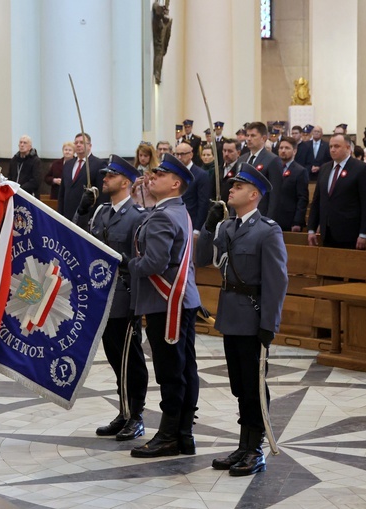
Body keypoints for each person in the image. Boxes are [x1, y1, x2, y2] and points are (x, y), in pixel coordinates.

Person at [195, 164, 287, 476]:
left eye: (238, 186)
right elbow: (200, 260)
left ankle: (255, 448)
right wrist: (208, 227)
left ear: (254, 194)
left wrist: (269, 325)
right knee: (238, 385)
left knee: (253, 386)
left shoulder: (268, 230)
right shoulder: (227, 228)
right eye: (232, 185)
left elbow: (277, 281)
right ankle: (243, 444)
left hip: (253, 317)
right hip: (231, 317)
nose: (231, 189)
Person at [128, 153, 201, 459]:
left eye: (159, 175)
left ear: (175, 183)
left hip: (166, 302)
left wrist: (130, 265)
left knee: (170, 370)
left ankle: (170, 435)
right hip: (181, 299)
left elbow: (155, 262)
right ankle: (183, 433)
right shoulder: (176, 210)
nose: (151, 177)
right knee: (184, 367)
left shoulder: (162, 215)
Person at [75, 155, 149, 442]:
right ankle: (124, 411)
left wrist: (136, 305)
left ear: (126, 182)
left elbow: (138, 263)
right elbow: (80, 238)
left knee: (131, 360)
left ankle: (137, 415)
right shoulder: (101, 213)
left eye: (111, 176)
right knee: (116, 358)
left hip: (125, 297)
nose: (104, 179)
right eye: (105, 175)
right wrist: (82, 211)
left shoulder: (137, 216)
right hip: (102, 297)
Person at [307, 133, 366, 249]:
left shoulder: (361, 169)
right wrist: (311, 229)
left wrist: (364, 233)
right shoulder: (324, 168)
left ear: (348, 148)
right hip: (327, 231)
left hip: (350, 232)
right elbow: (317, 200)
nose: (332, 150)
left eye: (337, 146)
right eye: (330, 146)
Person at [57, 132, 107, 221]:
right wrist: (60, 215)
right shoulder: (68, 164)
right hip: (67, 216)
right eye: (76, 143)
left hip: (87, 216)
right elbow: (62, 192)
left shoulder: (99, 164)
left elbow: (102, 194)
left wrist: (96, 217)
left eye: (82, 142)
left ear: (90, 146)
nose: (78, 145)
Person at [236, 122, 282, 217]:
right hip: (241, 212)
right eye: (247, 135)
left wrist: (269, 219)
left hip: (260, 213)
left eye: (253, 135)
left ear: (264, 138)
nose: (248, 139)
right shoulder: (242, 159)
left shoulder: (272, 160)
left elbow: (275, 195)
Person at [270, 137, 309, 232]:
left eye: (287, 148)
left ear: (294, 151)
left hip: (289, 220)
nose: (283, 151)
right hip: (272, 219)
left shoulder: (300, 171)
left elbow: (302, 199)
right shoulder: (272, 168)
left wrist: (297, 221)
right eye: (281, 148)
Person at [174, 142, 210, 233]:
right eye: (177, 154)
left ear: (191, 154)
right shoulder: (174, 173)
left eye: (182, 154)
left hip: (192, 222)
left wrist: (197, 229)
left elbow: (203, 203)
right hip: (175, 220)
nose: (179, 157)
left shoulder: (201, 175)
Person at [131, 142, 160, 208]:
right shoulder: (134, 170)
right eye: (140, 155)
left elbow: (159, 192)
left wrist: (147, 184)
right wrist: (134, 186)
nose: (142, 158)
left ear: (151, 156)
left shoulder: (157, 170)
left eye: (145, 156)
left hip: (151, 207)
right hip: (137, 207)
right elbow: (130, 195)